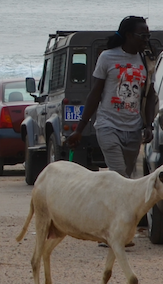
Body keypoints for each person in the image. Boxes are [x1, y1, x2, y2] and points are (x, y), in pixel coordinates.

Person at [67, 16, 156, 178]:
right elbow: (95, 94)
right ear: (129, 35)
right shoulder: (107, 57)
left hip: (134, 129)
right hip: (108, 126)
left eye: (148, 36)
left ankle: (111, 203)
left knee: (128, 176)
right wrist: (79, 129)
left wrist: (149, 125)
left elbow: (150, 96)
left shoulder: (147, 61)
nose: (146, 40)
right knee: (118, 174)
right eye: (142, 36)